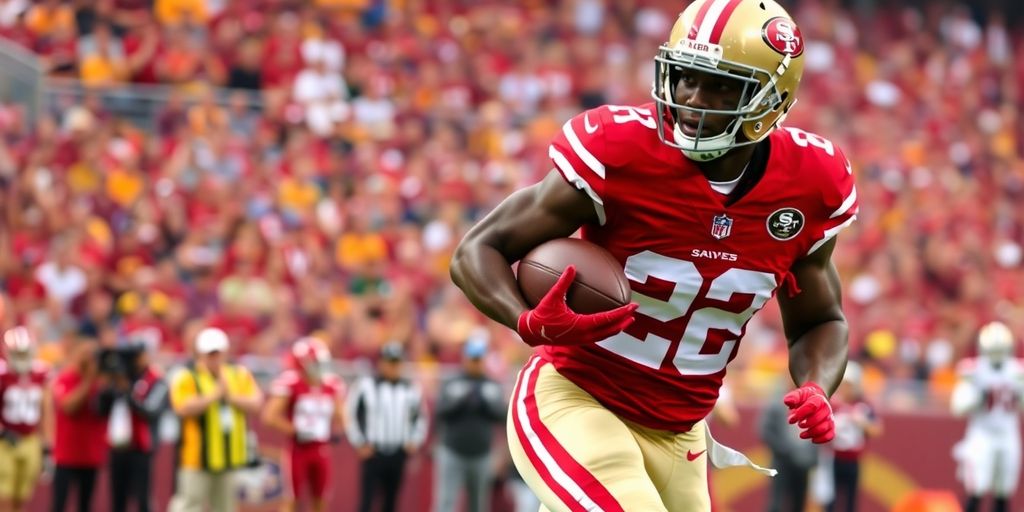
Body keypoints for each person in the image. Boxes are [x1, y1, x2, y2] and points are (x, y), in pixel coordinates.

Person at [449, 0, 854, 508]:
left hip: (683, 434)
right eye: (686, 76)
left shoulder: (810, 184)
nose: (692, 97)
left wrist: (817, 386)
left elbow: (821, 320)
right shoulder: (621, 150)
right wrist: (526, 321)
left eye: (721, 84)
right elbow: (476, 250)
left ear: (773, 100)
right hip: (576, 400)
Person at [168, 327, 264, 512]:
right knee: (189, 505)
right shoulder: (187, 375)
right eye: (210, 354)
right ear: (200, 354)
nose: (215, 359)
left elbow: (257, 403)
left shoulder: (239, 374)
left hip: (229, 456)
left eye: (218, 353)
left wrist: (231, 397)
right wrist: (214, 395)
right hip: (196, 457)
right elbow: (181, 407)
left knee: (225, 507)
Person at [262, 337, 345, 512]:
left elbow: (340, 415)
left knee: (321, 501)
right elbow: (269, 416)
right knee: (292, 500)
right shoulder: (292, 383)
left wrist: (337, 428)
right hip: (298, 449)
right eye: (315, 363)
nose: (319, 368)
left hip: (321, 448)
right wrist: (294, 430)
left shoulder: (331, 385)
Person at [346, 342, 428, 512]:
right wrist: (359, 442)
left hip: (398, 452)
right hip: (373, 451)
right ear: (381, 363)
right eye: (390, 362)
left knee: (391, 502)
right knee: (366, 501)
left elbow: (421, 417)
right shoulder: (365, 386)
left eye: (396, 362)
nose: (393, 367)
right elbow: (351, 414)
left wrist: (415, 440)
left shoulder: (411, 389)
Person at [950, 321, 1023, 512]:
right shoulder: (974, 370)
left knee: (1004, 489)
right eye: (994, 350)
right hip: (982, 434)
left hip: (1008, 433)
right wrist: (976, 397)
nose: (997, 355)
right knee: (977, 487)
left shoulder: (1017, 371)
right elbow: (958, 407)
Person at [432, 336, 506, 512]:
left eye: (478, 359)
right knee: (446, 503)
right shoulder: (453, 382)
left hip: (481, 455)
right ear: (465, 358)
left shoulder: (491, 385)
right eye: (472, 359)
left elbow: (501, 416)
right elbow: (441, 411)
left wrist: (484, 402)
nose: (475, 363)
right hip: (452, 452)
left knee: (478, 505)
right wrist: (461, 400)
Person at [99, 344, 169, 512]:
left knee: (142, 497)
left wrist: (128, 391)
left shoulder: (156, 379)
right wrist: (109, 386)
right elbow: (101, 409)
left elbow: (151, 411)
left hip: (142, 448)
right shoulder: (120, 378)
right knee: (118, 497)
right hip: (119, 446)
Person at [50, 340, 108, 512]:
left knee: (86, 505)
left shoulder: (102, 382)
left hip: (91, 455)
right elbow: (69, 406)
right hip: (66, 455)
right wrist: (88, 382)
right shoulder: (66, 377)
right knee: (59, 504)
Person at [0, 327, 52, 512]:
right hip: (4, 442)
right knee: (3, 497)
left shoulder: (40, 373)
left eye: (25, 353)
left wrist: (47, 447)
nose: (21, 357)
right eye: (17, 353)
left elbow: (46, 412)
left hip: (30, 439)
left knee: (22, 498)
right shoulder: (3, 373)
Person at [823, 361, 881, 512]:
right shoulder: (833, 404)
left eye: (848, 384)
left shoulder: (863, 406)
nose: (845, 388)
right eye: (843, 384)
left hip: (853, 460)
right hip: (832, 458)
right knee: (830, 498)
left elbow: (877, 429)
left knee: (850, 500)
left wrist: (862, 422)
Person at [760, 385, 818, 512]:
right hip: (782, 462)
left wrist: (813, 457)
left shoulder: (812, 404)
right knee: (777, 502)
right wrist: (784, 449)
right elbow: (765, 431)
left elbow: (817, 432)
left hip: (803, 462)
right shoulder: (777, 405)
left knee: (799, 503)